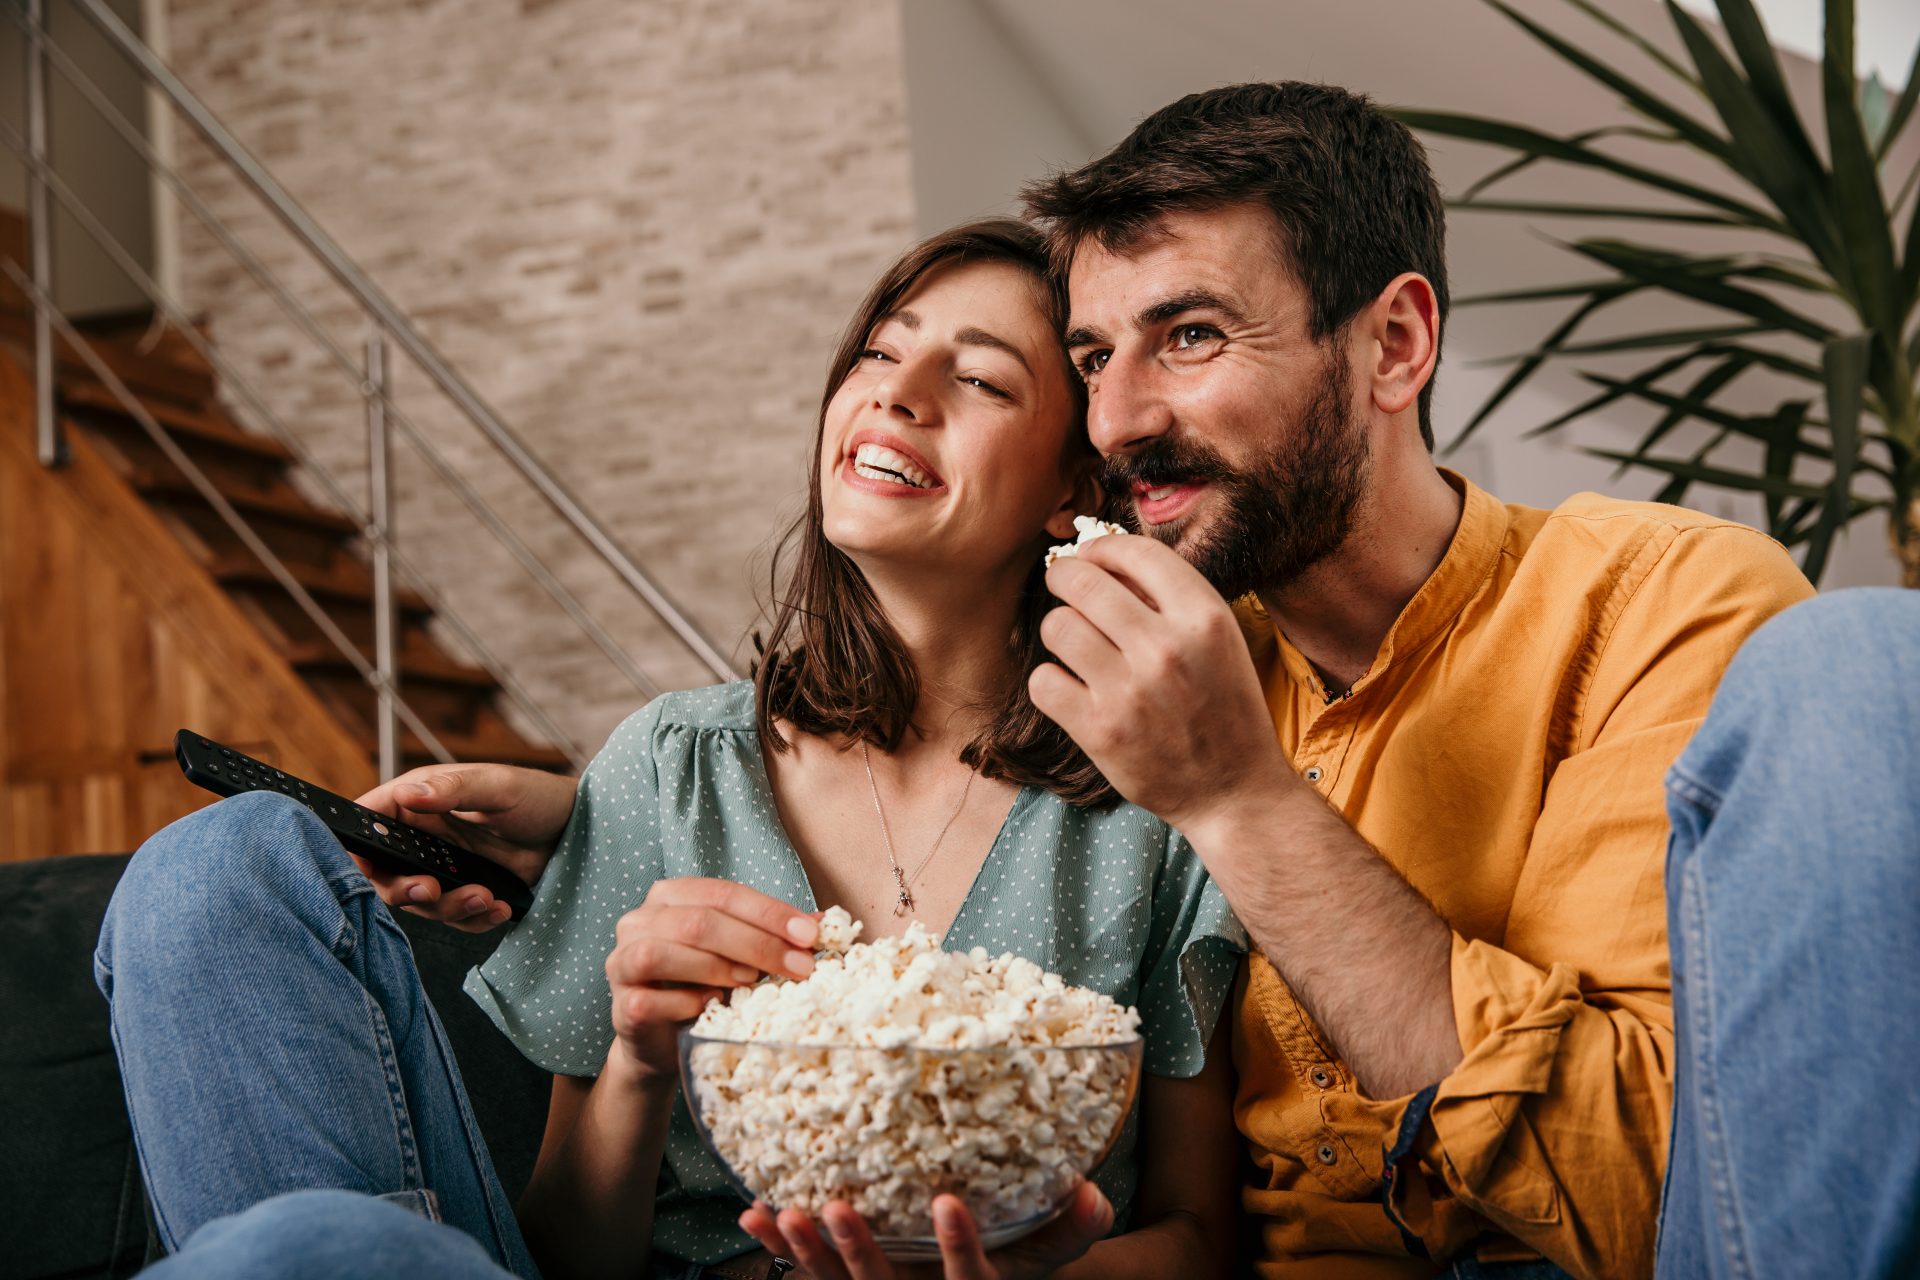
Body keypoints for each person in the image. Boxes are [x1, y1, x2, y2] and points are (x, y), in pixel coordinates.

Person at [94, 220, 1246, 1280]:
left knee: (312, 1245)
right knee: (220, 860)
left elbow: (1198, 1237)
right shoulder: (672, 768)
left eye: (982, 377)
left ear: (1069, 489)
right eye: (879, 356)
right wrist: (643, 1056)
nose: (901, 396)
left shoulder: (1151, 803)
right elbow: (568, 1252)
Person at [1015, 82, 1816, 1279]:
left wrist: (1242, 800)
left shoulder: (1665, 603)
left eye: (1189, 335)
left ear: (1394, 345)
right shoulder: (1123, 671)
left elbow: (1654, 1201)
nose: (1117, 418)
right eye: (1094, 354)